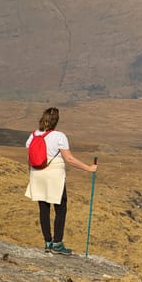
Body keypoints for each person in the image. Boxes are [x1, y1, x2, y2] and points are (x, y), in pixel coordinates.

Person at [25, 107, 97, 255]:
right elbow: (69, 159)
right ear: (56, 121)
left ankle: (47, 242)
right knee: (61, 208)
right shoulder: (59, 136)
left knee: (43, 209)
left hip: (37, 174)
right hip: (54, 175)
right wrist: (89, 168)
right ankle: (57, 244)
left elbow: (30, 154)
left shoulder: (33, 135)